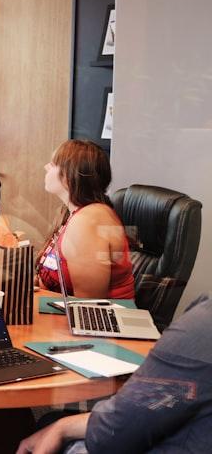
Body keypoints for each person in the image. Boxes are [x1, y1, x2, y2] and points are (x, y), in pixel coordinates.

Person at [16, 294, 212, 454]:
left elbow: (114, 436)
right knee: (51, 422)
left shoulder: (204, 325)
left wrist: (61, 428)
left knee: (45, 426)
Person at [36, 140, 134, 299]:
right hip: (66, 312)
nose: (46, 167)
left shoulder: (88, 221)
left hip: (99, 320)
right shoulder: (72, 213)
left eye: (53, 165)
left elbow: (88, 307)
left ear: (69, 176)